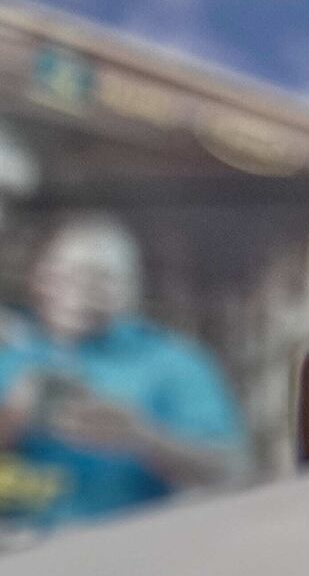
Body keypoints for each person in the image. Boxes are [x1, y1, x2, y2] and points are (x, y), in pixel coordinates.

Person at [0, 214, 245, 534]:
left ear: (132, 288)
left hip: (131, 555)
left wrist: (142, 437)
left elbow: (234, 471)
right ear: (40, 280)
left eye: (99, 278)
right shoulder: (11, 356)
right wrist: (11, 420)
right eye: (63, 274)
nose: (78, 290)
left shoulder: (175, 363)